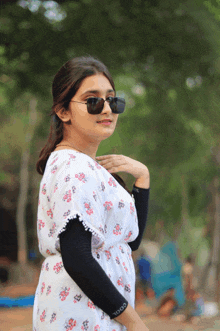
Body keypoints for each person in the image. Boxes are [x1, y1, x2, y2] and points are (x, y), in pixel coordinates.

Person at [33, 56, 150, 331]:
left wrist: (142, 178)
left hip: (97, 312)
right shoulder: (73, 167)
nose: (107, 109)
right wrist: (133, 321)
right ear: (63, 111)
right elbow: (77, 257)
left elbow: (128, 243)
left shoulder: (86, 167)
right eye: (93, 100)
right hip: (81, 314)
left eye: (113, 100)